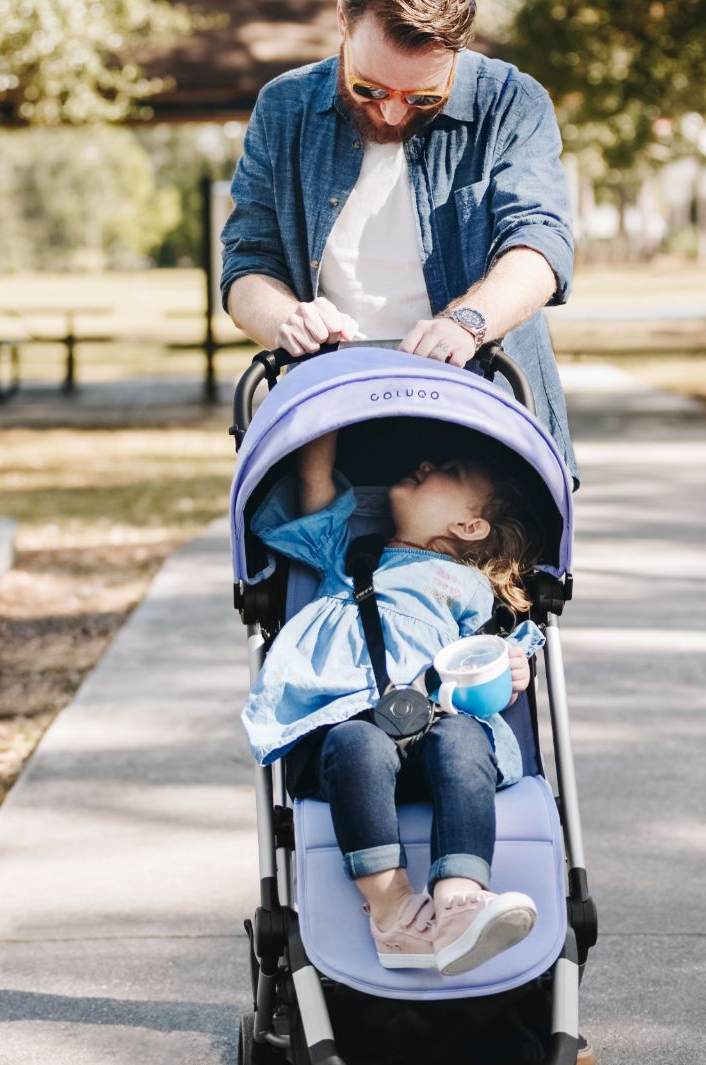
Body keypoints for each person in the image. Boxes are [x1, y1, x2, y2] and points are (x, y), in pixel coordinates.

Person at [220, 0, 578, 486]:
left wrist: (467, 323)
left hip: (483, 414)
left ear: (458, 48)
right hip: (333, 419)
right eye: (369, 87)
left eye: (423, 97)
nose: (391, 112)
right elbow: (247, 263)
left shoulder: (512, 102)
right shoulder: (285, 107)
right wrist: (286, 319)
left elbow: (540, 241)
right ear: (343, 18)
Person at [241, 430, 546, 975]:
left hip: (438, 732)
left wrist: (511, 662)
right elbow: (315, 479)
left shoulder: (469, 588)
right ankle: (394, 913)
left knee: (462, 735)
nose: (423, 460)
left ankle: (459, 902)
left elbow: (489, 653)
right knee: (356, 741)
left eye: (446, 468)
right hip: (351, 732)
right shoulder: (346, 553)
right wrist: (325, 405)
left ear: (469, 527)